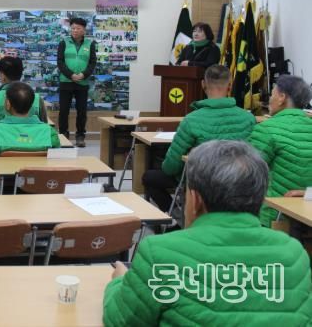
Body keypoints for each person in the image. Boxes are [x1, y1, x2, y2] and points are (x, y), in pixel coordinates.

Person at [104, 140, 312, 326]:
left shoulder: (159, 253)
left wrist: (119, 282)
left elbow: (120, 320)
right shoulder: (294, 255)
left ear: (195, 200)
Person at [142, 65, 256, 212]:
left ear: (203, 84)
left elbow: (170, 167)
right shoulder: (248, 118)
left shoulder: (191, 120)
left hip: (203, 182)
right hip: (238, 179)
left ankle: (175, 217)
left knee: (149, 177)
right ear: (230, 85)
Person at [249, 75, 312, 227]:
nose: (269, 99)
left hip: (273, 218)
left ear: (282, 98)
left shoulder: (266, 129)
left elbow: (246, 174)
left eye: (272, 94)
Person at [0, 82, 60, 157]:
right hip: (38, 170)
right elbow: (57, 162)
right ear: (31, 105)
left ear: (8, 104)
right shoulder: (50, 133)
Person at [0, 55, 49, 133]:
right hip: (32, 139)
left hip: (1, 140)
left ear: (3, 76)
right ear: (21, 74)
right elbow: (44, 127)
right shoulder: (37, 99)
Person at [57, 17, 97, 147]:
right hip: (66, 81)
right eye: (73, 28)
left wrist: (83, 75)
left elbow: (92, 63)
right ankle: (63, 136)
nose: (75, 30)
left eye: (78, 28)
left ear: (84, 30)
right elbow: (60, 62)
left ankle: (80, 136)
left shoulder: (90, 44)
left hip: (82, 83)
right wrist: (71, 75)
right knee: (64, 111)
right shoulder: (64, 42)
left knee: (82, 111)